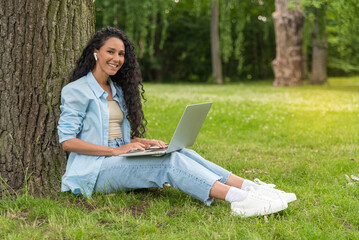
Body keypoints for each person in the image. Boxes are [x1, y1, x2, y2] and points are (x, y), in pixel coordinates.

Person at [57, 27, 296, 218]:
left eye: (121, 54)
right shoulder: (76, 91)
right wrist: (116, 150)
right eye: (110, 52)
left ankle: (251, 188)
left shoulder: (115, 89)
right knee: (168, 162)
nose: (116, 58)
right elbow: (67, 142)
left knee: (180, 151)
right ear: (96, 52)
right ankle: (240, 200)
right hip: (93, 171)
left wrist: (141, 142)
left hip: (115, 159)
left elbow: (111, 134)